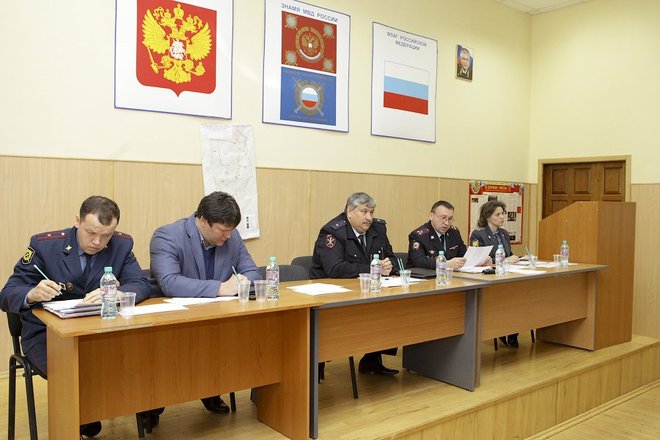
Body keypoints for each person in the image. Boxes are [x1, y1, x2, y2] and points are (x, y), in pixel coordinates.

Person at [0, 196, 151, 438]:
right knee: (73, 372)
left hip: (100, 332)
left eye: (106, 235)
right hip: (47, 336)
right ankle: (81, 419)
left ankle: (90, 414)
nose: (97, 242)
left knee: (135, 361)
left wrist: (118, 294)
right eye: (91, 232)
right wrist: (32, 293)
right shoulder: (44, 246)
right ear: (77, 221)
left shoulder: (122, 245)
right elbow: (7, 293)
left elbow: (141, 284)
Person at [150, 191, 261, 413]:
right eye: (222, 230)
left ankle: (211, 388)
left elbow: (253, 272)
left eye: (231, 230)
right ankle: (152, 403)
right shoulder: (167, 236)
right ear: (202, 220)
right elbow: (169, 282)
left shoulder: (232, 237)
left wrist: (242, 280)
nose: (228, 236)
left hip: (215, 320)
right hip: (173, 321)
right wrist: (220, 288)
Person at [310, 192, 399, 375]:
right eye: (364, 212)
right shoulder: (332, 232)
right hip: (331, 294)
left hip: (366, 289)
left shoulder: (378, 229)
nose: (369, 218)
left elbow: (391, 258)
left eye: (371, 212)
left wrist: (389, 265)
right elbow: (335, 269)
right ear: (349, 212)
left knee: (390, 309)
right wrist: (373, 269)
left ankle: (371, 360)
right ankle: (316, 366)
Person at [469, 199, 521, 348]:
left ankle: (513, 331)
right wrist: (502, 260)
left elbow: (509, 254)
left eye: (503, 213)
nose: (502, 217)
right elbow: (477, 259)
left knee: (518, 298)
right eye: (498, 214)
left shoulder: (504, 233)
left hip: (507, 275)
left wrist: (514, 258)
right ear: (487, 216)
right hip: (489, 278)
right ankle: (502, 330)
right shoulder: (478, 234)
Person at [407, 200, 470, 270]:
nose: (446, 223)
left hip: (450, 275)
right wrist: (444, 264)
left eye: (450, 219)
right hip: (425, 275)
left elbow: (463, 255)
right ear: (431, 216)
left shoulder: (454, 232)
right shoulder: (418, 236)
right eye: (443, 218)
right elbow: (419, 262)